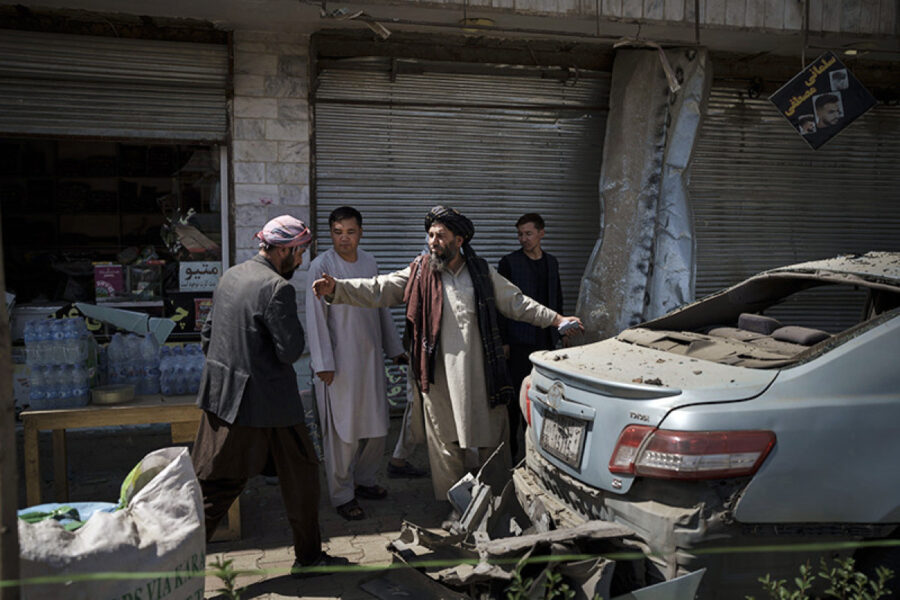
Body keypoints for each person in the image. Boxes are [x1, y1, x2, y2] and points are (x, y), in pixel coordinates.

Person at [312, 206, 582, 506]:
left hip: (481, 375)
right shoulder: (420, 271)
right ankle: (455, 505)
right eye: (430, 235)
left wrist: (556, 320)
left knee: (493, 438)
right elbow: (379, 288)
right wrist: (338, 288)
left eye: (440, 235)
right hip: (438, 377)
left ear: (460, 239)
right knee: (444, 444)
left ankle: (499, 501)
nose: (433, 241)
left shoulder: (481, 272)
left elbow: (517, 303)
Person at [191, 215, 343, 577]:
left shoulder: (231, 275)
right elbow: (289, 350)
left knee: (296, 475)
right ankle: (170, 563)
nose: (302, 260)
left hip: (224, 397)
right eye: (301, 252)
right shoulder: (278, 288)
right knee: (219, 489)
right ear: (285, 250)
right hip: (266, 404)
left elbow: (208, 336)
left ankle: (310, 557)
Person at [305, 206, 406, 521]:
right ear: (330, 233)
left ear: (360, 233)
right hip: (338, 364)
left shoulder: (369, 261)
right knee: (342, 433)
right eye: (337, 232)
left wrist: (394, 348)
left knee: (377, 428)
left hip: (370, 357)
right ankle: (341, 494)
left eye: (350, 232)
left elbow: (380, 306)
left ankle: (364, 480)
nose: (344, 239)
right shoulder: (321, 266)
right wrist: (323, 363)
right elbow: (315, 318)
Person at [498, 213, 564, 461]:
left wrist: (561, 330)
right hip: (518, 341)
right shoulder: (509, 263)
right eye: (520, 234)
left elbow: (556, 297)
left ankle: (536, 451)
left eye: (528, 233)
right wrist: (504, 340)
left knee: (542, 395)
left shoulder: (552, 262)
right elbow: (501, 306)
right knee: (516, 399)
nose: (523, 239)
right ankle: (513, 454)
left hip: (545, 342)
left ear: (541, 233)